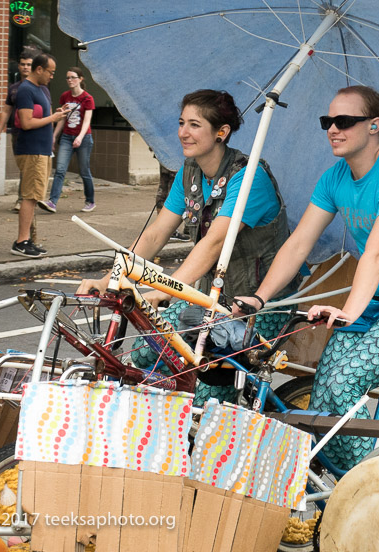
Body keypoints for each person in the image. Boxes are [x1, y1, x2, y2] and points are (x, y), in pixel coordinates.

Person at [234, 85, 379, 470]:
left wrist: (349, 311)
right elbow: (300, 242)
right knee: (322, 403)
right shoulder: (335, 177)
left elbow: (377, 252)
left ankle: (369, 482)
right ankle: (340, 485)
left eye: (344, 121)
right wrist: (260, 297)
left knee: (342, 383)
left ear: (374, 125)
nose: (332, 129)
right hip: (372, 303)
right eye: (327, 121)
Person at [77, 89, 295, 404]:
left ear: (222, 132)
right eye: (181, 123)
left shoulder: (249, 179)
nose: (183, 132)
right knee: (144, 357)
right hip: (212, 296)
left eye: (194, 125)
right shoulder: (189, 172)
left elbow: (213, 243)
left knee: (202, 388)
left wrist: (164, 289)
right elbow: (155, 234)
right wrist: (109, 280)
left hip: (258, 300)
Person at [11, 53, 67, 257]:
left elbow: (42, 118)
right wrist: (53, 117)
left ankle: (28, 239)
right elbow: (26, 122)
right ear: (39, 69)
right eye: (50, 72)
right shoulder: (26, 89)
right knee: (29, 195)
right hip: (32, 150)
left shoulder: (41, 90)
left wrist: (56, 114)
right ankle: (21, 241)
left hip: (41, 149)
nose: (52, 76)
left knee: (34, 197)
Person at [0, 49, 46, 214]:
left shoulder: (42, 88)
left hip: (36, 133)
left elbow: (48, 112)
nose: (25, 67)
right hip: (18, 132)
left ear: (35, 67)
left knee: (33, 167)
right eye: (23, 64)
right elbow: (6, 110)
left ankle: (26, 198)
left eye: (28, 65)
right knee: (24, 168)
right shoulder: (15, 88)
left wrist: (50, 135)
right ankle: (28, 198)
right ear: (18, 66)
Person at [39, 66, 96, 213]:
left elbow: (87, 121)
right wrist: (53, 136)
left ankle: (90, 201)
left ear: (80, 79)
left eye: (73, 77)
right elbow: (62, 119)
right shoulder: (65, 96)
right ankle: (52, 202)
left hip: (83, 138)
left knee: (84, 171)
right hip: (66, 137)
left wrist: (80, 137)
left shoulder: (88, 98)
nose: (70, 80)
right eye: (68, 78)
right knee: (60, 170)